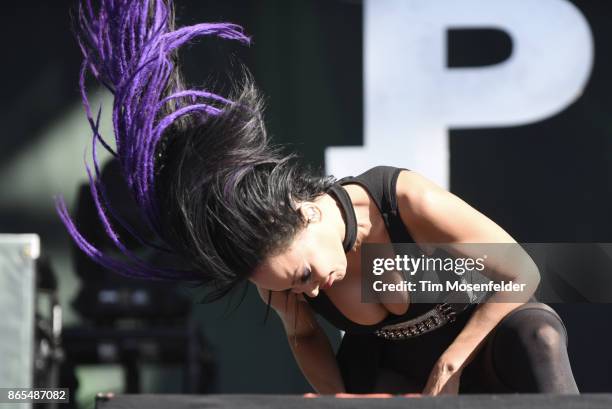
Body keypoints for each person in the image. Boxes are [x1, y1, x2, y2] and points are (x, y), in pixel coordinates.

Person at [57, 0, 579, 395]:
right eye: (295, 289)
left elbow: (521, 271)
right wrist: (342, 401)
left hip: (484, 352)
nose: (309, 294)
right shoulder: (278, 276)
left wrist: (452, 362)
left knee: (537, 333)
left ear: (303, 213)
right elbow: (307, 339)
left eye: (305, 277)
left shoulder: (402, 199)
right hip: (396, 376)